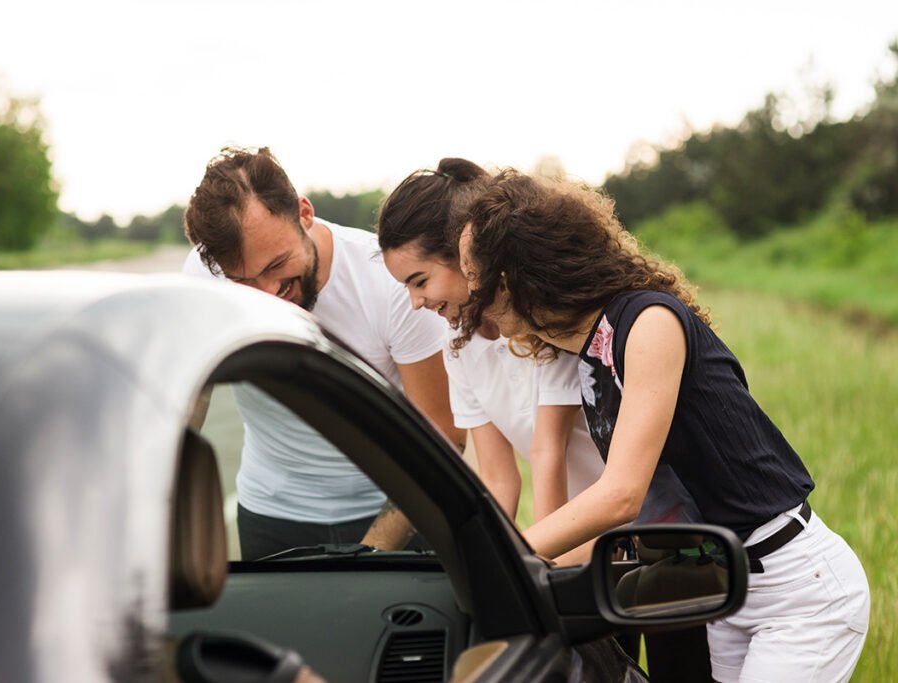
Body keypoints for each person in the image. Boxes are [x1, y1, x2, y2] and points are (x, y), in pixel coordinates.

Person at [455, 169, 870, 683]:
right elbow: (643, 516)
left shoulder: (649, 322)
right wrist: (536, 567)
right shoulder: (591, 350)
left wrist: (505, 559)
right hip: (724, 586)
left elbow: (621, 495)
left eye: (476, 286)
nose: (471, 305)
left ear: (513, 278)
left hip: (796, 591)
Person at [182, 146, 462, 559]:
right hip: (269, 513)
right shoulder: (204, 278)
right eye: (245, 280)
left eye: (278, 264)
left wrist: (371, 552)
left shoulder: (390, 285)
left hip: (396, 508)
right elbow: (191, 397)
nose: (269, 294)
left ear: (304, 213)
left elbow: (444, 434)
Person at [377, 158, 604, 523]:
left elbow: (548, 453)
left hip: (624, 524)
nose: (415, 302)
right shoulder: (459, 344)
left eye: (420, 281)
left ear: (463, 254)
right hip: (570, 529)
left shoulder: (542, 325)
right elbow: (499, 479)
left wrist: (543, 562)